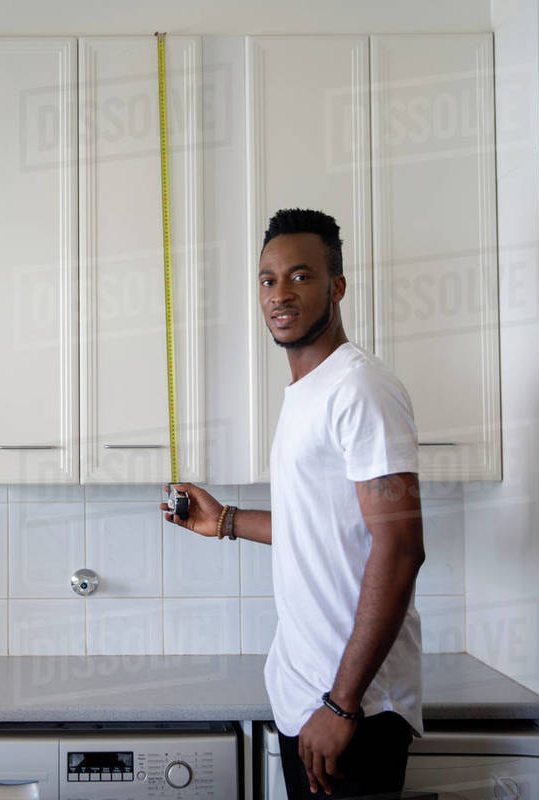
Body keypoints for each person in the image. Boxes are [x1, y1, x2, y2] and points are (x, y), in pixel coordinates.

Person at [162, 209, 425, 798]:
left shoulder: (361, 387)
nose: (280, 294)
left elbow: (402, 547)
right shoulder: (310, 392)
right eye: (267, 279)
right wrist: (224, 521)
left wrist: (343, 703)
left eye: (300, 277)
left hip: (355, 709)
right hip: (308, 698)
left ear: (337, 287)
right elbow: (321, 526)